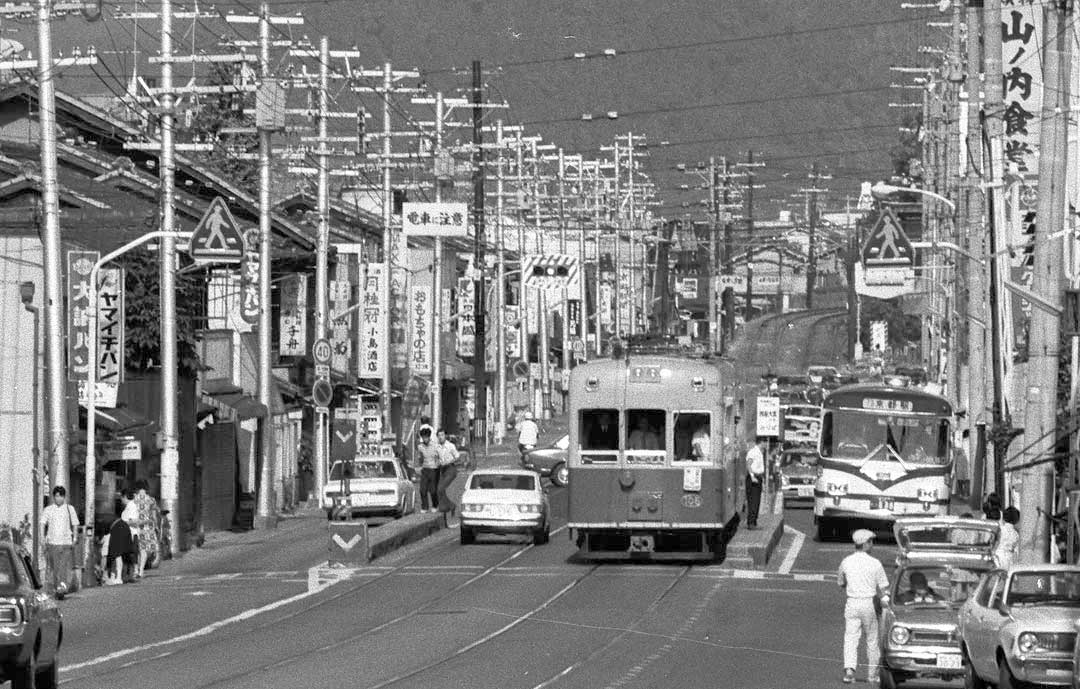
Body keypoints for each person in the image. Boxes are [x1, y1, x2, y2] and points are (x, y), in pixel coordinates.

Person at [837, 529, 890, 684]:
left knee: (851, 637)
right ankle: (872, 674)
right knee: (872, 639)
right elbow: (884, 588)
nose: (872, 544)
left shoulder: (846, 561)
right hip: (869, 603)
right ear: (865, 544)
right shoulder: (875, 563)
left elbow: (841, 582)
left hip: (852, 602)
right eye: (871, 542)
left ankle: (849, 671)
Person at [42, 486, 79, 598]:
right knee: (55, 567)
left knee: (63, 567)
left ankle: (61, 588)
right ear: (53, 497)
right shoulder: (48, 509)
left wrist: (75, 538)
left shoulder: (69, 508)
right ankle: (56, 587)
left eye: (60, 496)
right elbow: (42, 523)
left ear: (64, 497)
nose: (58, 498)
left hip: (66, 542)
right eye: (56, 496)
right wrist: (42, 538)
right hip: (52, 542)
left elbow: (75, 524)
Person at [106, 491, 137, 585]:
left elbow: (134, 521)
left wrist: (124, 522)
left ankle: (119, 577)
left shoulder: (130, 506)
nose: (121, 500)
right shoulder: (127, 507)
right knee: (122, 555)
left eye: (121, 498)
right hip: (125, 531)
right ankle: (122, 576)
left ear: (124, 497)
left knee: (117, 554)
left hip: (123, 530)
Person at [133, 480, 161, 579]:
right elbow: (154, 516)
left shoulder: (134, 499)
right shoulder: (151, 500)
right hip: (148, 527)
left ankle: (135, 570)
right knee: (144, 550)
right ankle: (141, 571)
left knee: (136, 549)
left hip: (136, 527)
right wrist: (156, 527)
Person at [435, 429, 461, 524]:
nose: (441, 437)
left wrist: (449, 461)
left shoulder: (450, 446)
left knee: (441, 488)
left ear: (445, 436)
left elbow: (457, 456)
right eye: (439, 435)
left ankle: (444, 508)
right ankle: (450, 506)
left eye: (442, 435)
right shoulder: (437, 447)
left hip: (451, 469)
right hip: (443, 469)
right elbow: (436, 457)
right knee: (439, 489)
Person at [415, 427, 440, 512]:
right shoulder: (420, 446)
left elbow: (440, 457)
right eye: (423, 437)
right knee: (422, 490)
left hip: (433, 470)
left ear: (429, 437)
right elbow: (419, 457)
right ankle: (424, 507)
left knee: (433, 490)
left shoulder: (435, 446)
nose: (425, 439)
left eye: (426, 437)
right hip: (425, 469)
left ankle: (435, 505)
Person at [744, 437, 767, 528]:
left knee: (757, 501)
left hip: (758, 477)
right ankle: (751, 523)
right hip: (753, 478)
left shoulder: (760, 452)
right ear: (761, 442)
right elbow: (748, 464)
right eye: (765, 441)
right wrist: (752, 476)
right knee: (753, 500)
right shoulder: (753, 452)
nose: (766, 444)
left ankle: (754, 521)